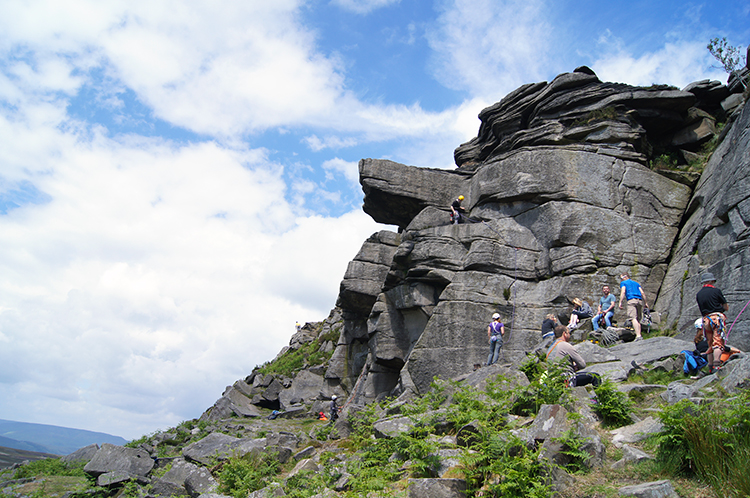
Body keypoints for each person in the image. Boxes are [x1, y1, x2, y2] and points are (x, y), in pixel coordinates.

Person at [696, 272, 729, 373]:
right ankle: (716, 366)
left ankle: (710, 368)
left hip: (706, 320)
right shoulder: (716, 291)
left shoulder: (699, 294)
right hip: (717, 318)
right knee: (718, 343)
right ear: (711, 281)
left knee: (710, 344)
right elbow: (725, 306)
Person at [618, 273, 649, 341]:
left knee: (632, 318)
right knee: (638, 319)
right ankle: (639, 334)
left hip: (631, 300)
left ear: (625, 277)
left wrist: (620, 302)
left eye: (621, 278)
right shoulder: (636, 283)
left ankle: (638, 336)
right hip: (639, 301)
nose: (621, 280)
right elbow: (642, 293)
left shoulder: (623, 283)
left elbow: (623, 292)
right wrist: (645, 303)